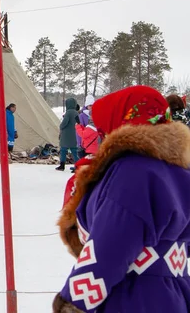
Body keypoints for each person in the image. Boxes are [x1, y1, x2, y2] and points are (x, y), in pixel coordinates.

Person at [53, 85, 190, 313]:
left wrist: (73, 303)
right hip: (173, 293)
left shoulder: (133, 172)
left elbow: (111, 247)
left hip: (134, 297)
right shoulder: (179, 171)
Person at [56, 98, 80, 171]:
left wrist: (60, 126)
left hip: (66, 135)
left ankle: (62, 165)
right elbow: (78, 122)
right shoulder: (76, 112)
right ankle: (78, 166)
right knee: (74, 151)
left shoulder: (68, 112)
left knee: (63, 150)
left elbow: (64, 123)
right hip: (74, 134)